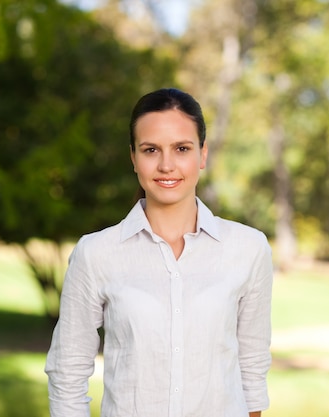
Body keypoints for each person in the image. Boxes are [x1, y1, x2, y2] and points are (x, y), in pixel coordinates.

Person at [45, 88, 273, 417]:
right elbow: (67, 372)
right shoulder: (96, 254)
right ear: (134, 158)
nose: (167, 165)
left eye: (182, 148)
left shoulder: (248, 249)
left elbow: (252, 372)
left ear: (202, 154)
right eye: (151, 149)